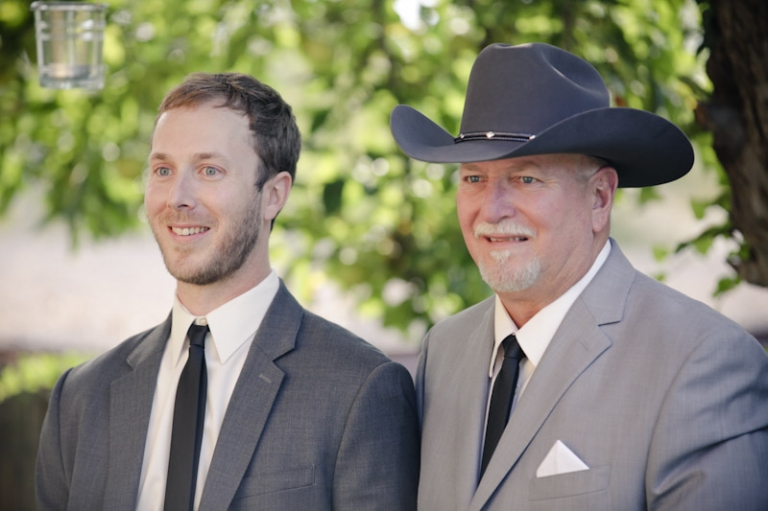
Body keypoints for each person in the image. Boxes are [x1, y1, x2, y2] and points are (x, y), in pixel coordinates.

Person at [390, 42, 768, 510]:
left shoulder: (701, 361)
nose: (492, 209)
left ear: (599, 198)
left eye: (526, 179)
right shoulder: (443, 351)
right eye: (473, 179)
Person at [36, 72, 420, 510]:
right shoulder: (81, 398)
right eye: (163, 169)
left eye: (209, 170)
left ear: (273, 196)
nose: (177, 196)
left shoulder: (359, 388)